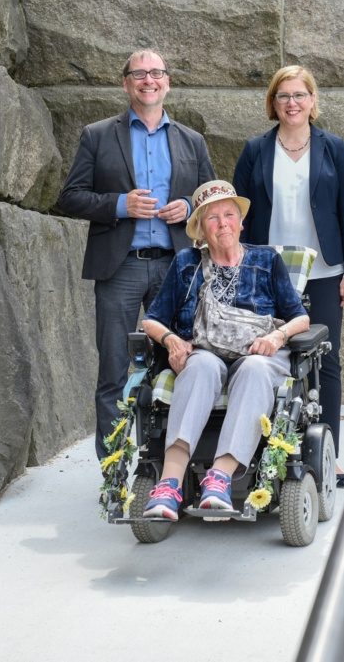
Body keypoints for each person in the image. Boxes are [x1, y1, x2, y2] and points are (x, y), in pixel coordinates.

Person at [57, 49, 215, 462]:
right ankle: (114, 469)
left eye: (157, 72)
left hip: (176, 268)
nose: (149, 79)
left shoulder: (192, 141)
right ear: (126, 83)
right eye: (140, 73)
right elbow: (70, 198)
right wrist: (119, 205)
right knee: (113, 370)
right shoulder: (97, 135)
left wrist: (188, 207)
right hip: (120, 267)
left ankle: (172, 464)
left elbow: (211, 202)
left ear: (168, 81)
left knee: (183, 363)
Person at [139, 180, 310, 519]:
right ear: (200, 229)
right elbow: (152, 320)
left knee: (254, 368)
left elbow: (300, 319)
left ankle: (219, 478)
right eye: (212, 218)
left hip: (260, 354)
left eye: (229, 215)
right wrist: (172, 340)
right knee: (199, 366)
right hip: (204, 352)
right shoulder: (186, 263)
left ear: (241, 221)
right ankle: (169, 485)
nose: (223, 224)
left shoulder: (266, 260)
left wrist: (276, 339)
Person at [233, 65, 344, 488]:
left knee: (326, 361)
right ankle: (263, 453)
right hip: (267, 271)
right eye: (283, 96)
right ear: (273, 103)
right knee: (264, 358)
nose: (292, 103)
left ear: (312, 100)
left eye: (299, 95)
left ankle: (329, 456)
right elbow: (239, 215)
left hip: (325, 271)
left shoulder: (334, 148)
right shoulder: (255, 150)